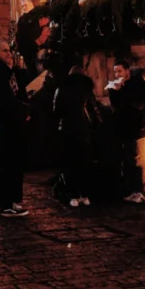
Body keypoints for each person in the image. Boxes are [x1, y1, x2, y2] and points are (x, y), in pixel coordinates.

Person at [0, 39, 29, 217]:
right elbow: (4, 101)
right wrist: (20, 111)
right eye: (4, 51)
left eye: (9, 50)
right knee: (5, 165)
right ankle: (4, 205)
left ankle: (9, 202)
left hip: (10, 126)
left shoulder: (5, 71)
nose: (9, 54)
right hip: (5, 127)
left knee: (9, 164)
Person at [53, 65, 101, 208]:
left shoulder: (62, 89)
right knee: (84, 161)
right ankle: (84, 195)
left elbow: (56, 110)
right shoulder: (87, 89)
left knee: (70, 162)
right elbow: (93, 108)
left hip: (67, 128)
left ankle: (72, 195)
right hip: (83, 128)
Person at [107, 59, 145, 203]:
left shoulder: (138, 84)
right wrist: (113, 91)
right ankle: (132, 191)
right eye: (115, 72)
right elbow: (116, 106)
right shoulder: (121, 86)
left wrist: (122, 90)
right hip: (125, 128)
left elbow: (139, 104)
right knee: (129, 160)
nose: (117, 74)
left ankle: (141, 192)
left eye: (119, 71)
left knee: (139, 160)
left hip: (139, 128)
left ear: (127, 71)